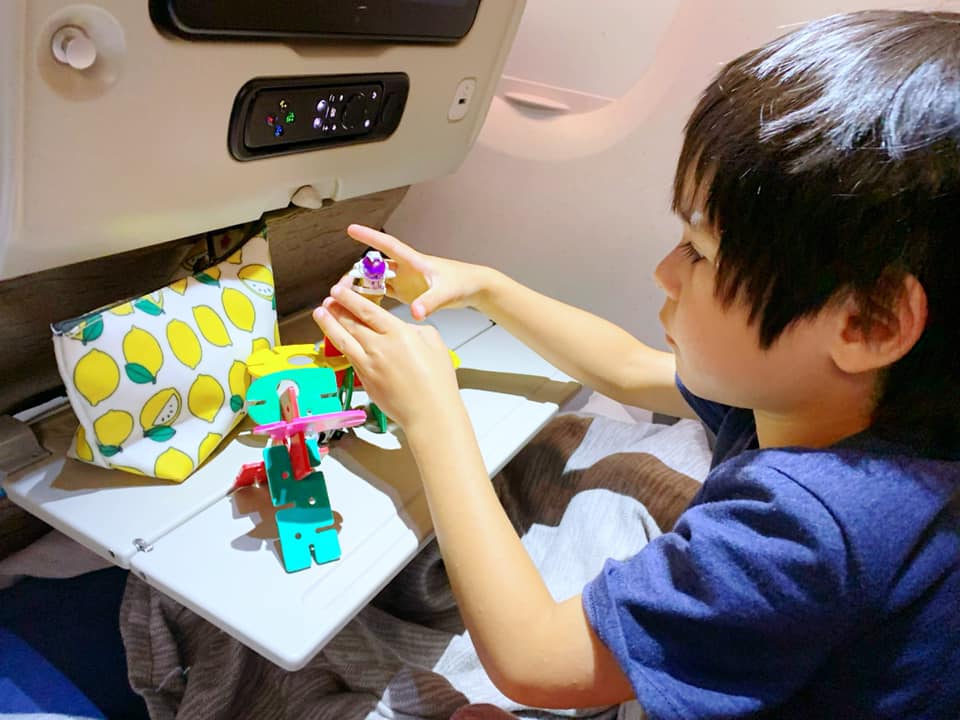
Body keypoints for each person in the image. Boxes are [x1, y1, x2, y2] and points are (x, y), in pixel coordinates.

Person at [314, 9, 960, 718]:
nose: (664, 272)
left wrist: (431, 414)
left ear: (868, 322)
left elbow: (533, 663)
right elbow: (625, 367)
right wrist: (485, 286)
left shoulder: (809, 528)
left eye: (701, 253)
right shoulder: (834, 406)